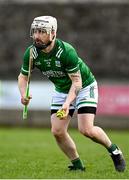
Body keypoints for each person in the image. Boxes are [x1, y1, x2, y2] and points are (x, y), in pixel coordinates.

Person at [18, 16, 126, 172]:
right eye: (35, 31)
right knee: (57, 131)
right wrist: (23, 94)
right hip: (62, 90)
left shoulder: (66, 52)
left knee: (86, 130)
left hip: (84, 87)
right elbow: (23, 77)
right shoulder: (32, 53)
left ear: (53, 33)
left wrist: (67, 104)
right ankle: (77, 166)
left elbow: (77, 83)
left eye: (42, 32)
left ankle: (114, 151)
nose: (36, 36)